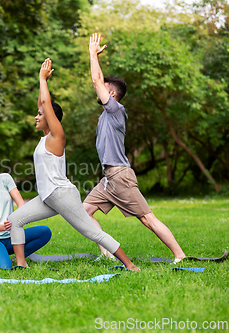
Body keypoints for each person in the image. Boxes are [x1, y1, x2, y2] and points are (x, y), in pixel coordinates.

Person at [8, 58, 140, 271]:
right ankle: (22, 266)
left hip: (61, 194)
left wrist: (43, 80)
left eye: (40, 114)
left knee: (92, 232)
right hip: (47, 196)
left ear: (52, 119)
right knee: (15, 219)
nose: (36, 115)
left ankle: (130, 265)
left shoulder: (56, 136)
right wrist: (42, 82)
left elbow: (46, 105)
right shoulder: (44, 139)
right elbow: (43, 104)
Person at [82, 33, 185, 263]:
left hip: (120, 176)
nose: (97, 88)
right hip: (108, 179)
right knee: (84, 212)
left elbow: (97, 81)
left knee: (147, 219)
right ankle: (107, 253)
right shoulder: (104, 116)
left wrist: (92, 54)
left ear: (112, 94)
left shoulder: (116, 111)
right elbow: (98, 81)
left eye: (103, 88)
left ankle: (180, 255)